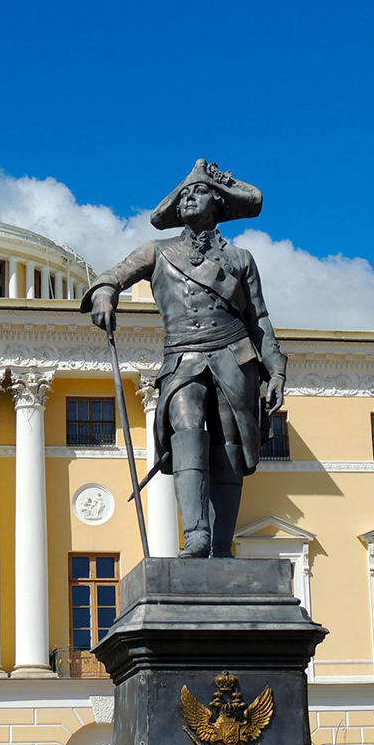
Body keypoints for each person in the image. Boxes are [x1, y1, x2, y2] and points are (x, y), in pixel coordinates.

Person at [80, 159, 286, 558]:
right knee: (187, 426)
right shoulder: (157, 252)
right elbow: (115, 274)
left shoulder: (241, 259)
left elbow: (258, 317)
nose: (190, 197)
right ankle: (196, 535)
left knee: (229, 443)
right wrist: (105, 293)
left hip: (235, 356)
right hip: (183, 358)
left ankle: (222, 548)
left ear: (219, 203)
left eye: (200, 191)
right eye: (185, 194)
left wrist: (276, 368)